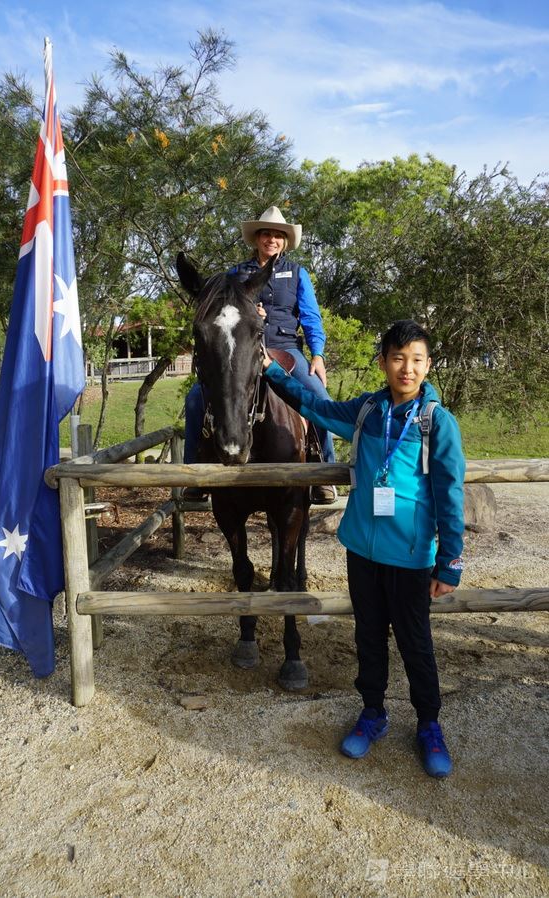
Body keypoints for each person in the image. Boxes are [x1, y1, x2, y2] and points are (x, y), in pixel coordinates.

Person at [263, 319, 465, 779]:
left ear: (428, 365)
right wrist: (272, 373)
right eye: (397, 358)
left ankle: (429, 724)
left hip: (412, 557)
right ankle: (373, 713)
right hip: (361, 551)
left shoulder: (438, 422)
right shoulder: (367, 411)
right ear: (383, 363)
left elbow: (450, 496)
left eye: (416, 360)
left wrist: (449, 563)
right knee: (368, 638)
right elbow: (316, 407)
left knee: (416, 644)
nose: (406, 369)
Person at [183, 205, 337, 504]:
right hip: (242, 351)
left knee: (321, 399)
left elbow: (311, 317)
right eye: (266, 233)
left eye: (278, 235)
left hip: (286, 349)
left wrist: (317, 355)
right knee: (194, 400)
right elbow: (221, 311)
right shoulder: (236, 273)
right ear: (257, 238)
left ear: (285, 241)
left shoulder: (297, 273)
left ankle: (323, 469)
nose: (272, 239)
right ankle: (195, 472)